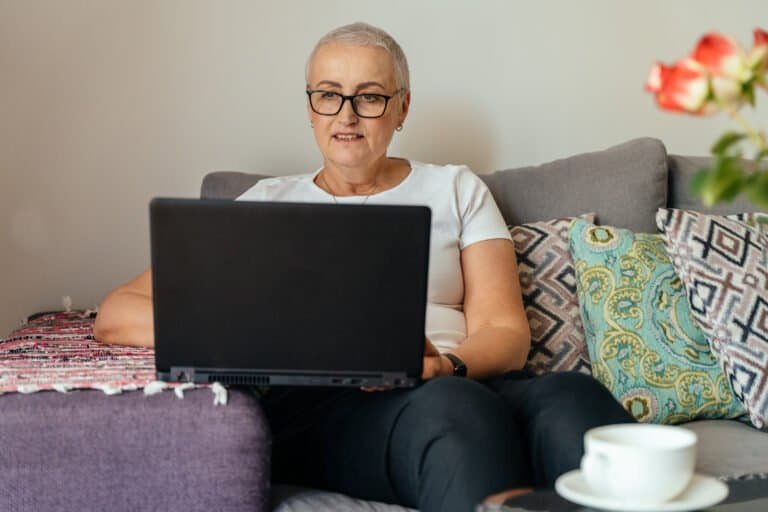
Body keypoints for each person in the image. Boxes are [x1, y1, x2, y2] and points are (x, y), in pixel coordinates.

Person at [94, 22, 634, 512]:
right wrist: (256, 337)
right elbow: (117, 314)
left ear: (401, 108)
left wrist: (445, 365)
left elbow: (505, 331)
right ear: (310, 108)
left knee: (572, 397)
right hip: (329, 410)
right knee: (452, 410)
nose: (346, 115)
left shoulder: (456, 188)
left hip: (456, 378)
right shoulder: (266, 204)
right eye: (329, 95)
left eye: (370, 97)